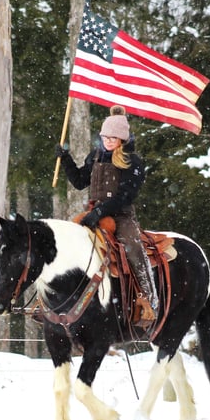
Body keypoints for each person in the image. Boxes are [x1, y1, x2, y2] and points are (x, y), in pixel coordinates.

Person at [54, 105, 158, 325]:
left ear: (122, 139)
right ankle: (61, 297)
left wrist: (101, 211)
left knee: (132, 246)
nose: (108, 141)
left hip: (121, 215)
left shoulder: (132, 161)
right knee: (68, 242)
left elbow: (125, 196)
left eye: (113, 137)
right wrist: (66, 160)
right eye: (105, 136)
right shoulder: (96, 155)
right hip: (94, 212)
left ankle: (149, 300)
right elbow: (80, 181)